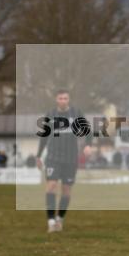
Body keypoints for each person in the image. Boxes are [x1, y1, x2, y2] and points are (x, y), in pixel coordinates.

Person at [36, 90, 88, 233]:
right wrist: (38, 155)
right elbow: (43, 137)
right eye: (61, 98)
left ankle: (60, 219)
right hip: (53, 157)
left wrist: (88, 145)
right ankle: (51, 221)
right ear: (56, 100)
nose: (63, 100)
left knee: (66, 191)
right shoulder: (50, 114)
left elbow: (87, 131)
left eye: (66, 98)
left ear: (68, 100)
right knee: (51, 186)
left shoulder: (76, 113)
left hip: (71, 158)